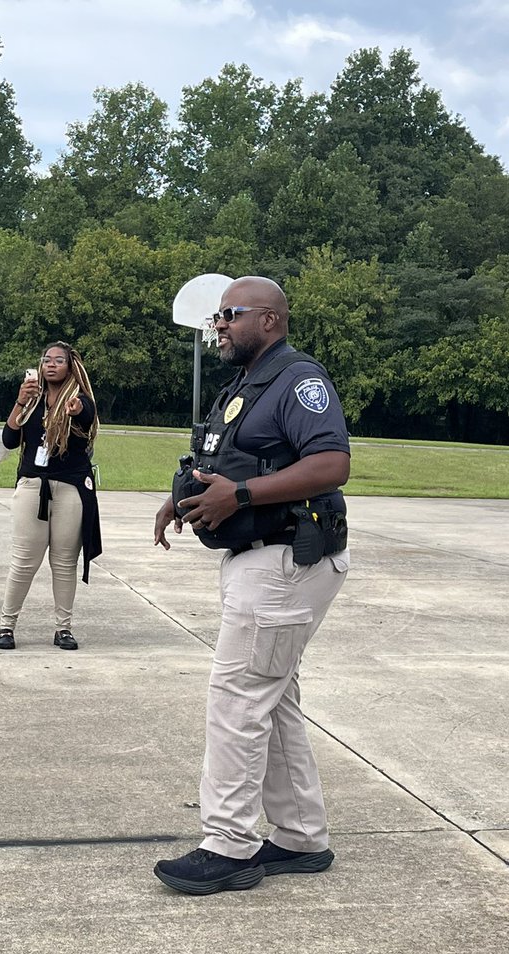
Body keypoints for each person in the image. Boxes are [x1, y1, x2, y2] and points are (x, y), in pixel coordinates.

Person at [152, 276, 351, 895]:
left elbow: (331, 462)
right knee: (273, 695)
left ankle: (230, 844)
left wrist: (238, 495)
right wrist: (178, 498)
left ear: (269, 319)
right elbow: (227, 460)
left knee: (238, 695)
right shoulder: (245, 384)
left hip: (287, 558)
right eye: (217, 317)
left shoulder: (299, 380)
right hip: (257, 560)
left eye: (229, 315)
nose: (219, 326)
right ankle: (299, 837)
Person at [0, 341, 102, 650]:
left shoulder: (80, 399)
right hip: (32, 486)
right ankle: (6, 626)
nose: (51, 364)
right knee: (24, 561)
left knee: (64, 561)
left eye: (58, 360)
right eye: (46, 360)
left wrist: (77, 409)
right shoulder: (31, 401)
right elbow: (9, 439)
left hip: (69, 488)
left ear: (71, 366)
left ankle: (63, 628)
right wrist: (19, 402)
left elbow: (87, 417)